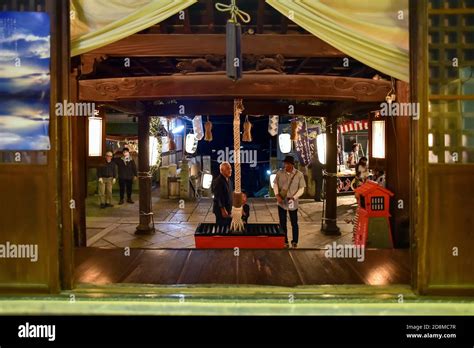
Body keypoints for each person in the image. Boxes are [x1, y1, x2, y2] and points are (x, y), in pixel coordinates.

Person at [272, 155, 306, 248]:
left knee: (294, 222)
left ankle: (295, 241)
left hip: (292, 201)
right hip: (282, 201)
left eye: (287, 164)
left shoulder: (299, 175)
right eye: (285, 163)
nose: (285, 165)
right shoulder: (280, 173)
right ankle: (284, 240)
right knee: (282, 222)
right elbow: (275, 184)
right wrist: (277, 195)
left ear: (292, 164)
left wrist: (294, 197)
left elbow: (301, 189)